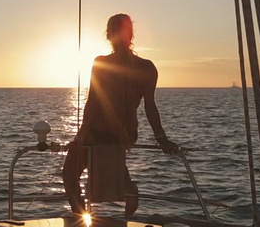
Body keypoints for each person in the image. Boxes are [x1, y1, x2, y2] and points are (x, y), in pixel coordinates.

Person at [63, 13, 180, 216]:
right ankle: (126, 190)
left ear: (109, 35)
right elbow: (150, 107)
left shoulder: (101, 63)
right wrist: (162, 139)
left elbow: (93, 102)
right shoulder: (147, 67)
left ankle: (83, 216)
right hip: (125, 135)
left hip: (98, 132)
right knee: (111, 161)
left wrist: (81, 135)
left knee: (69, 174)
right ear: (131, 35)